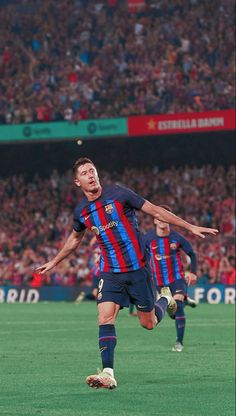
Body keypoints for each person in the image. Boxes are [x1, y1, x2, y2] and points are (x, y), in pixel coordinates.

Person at [36, 157, 218, 389]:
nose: (90, 175)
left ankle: (165, 299)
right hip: (110, 272)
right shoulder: (81, 211)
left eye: (92, 170)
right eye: (84, 173)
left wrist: (190, 226)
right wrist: (54, 261)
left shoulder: (119, 194)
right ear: (77, 181)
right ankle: (108, 373)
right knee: (105, 317)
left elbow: (155, 211)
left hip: (138, 270)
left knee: (148, 323)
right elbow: (75, 239)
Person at [144, 206, 198, 352]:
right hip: (160, 282)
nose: (162, 219)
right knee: (173, 313)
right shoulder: (147, 239)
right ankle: (185, 301)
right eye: (160, 216)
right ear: (155, 220)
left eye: (166, 216)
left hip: (177, 278)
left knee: (178, 307)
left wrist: (193, 272)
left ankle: (179, 342)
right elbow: (140, 257)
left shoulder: (177, 238)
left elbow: (192, 254)